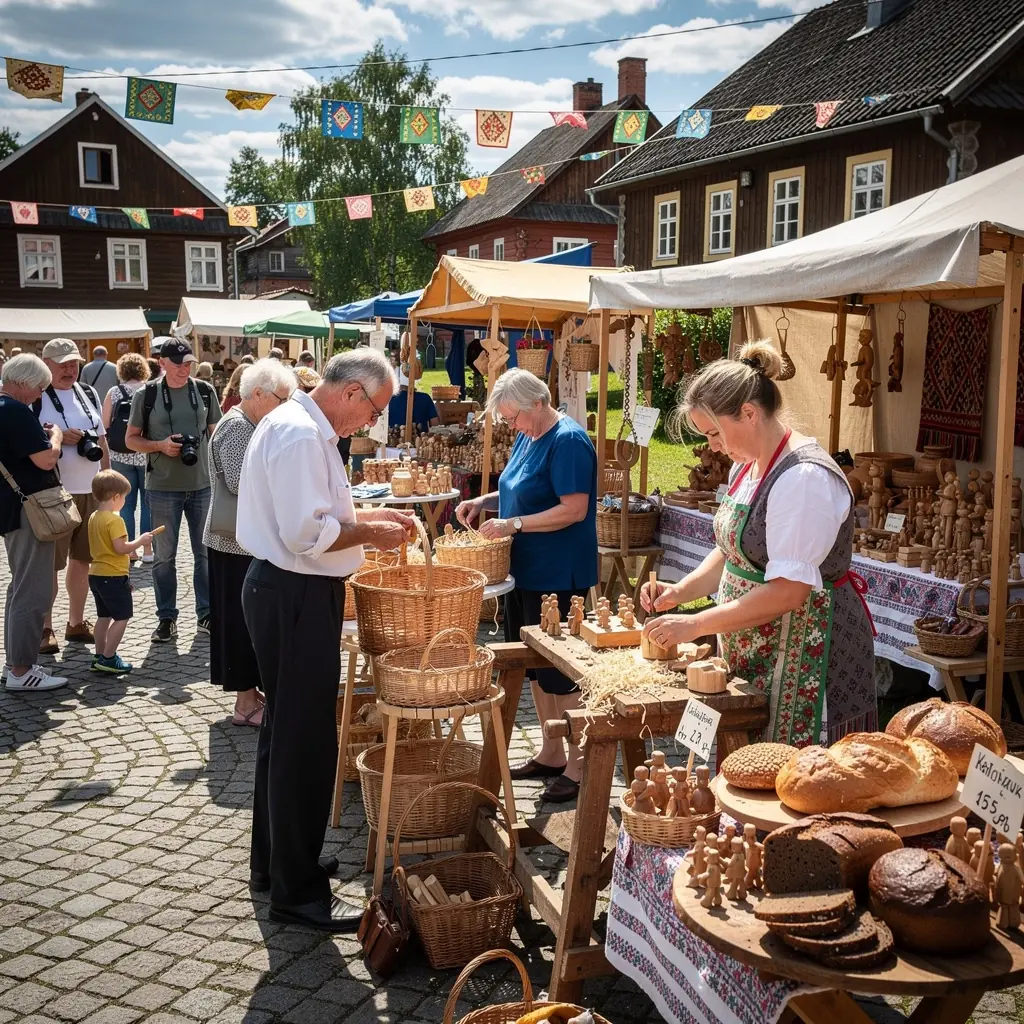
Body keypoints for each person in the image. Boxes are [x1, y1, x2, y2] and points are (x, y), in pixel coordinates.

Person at [236, 348, 416, 930]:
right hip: (292, 592)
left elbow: (320, 513)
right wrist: (375, 533)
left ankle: (279, 863)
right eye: (375, 410)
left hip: (293, 590)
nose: (373, 423)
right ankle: (296, 891)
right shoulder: (298, 434)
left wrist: (372, 517)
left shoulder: (305, 428)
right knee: (303, 738)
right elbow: (307, 532)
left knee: (287, 732)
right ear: (352, 392)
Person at [640, 341, 876, 747]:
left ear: (748, 413)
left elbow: (789, 591)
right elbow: (734, 552)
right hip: (758, 642)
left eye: (714, 432)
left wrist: (696, 623)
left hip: (808, 650)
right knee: (749, 759)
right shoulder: (746, 467)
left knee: (798, 777)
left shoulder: (804, 479)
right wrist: (682, 591)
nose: (712, 445)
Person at [456, 368, 597, 803]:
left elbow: (573, 509)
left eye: (513, 417)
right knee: (534, 667)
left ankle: (579, 761)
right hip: (524, 571)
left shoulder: (568, 441)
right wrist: (487, 501)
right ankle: (551, 751)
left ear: (538, 403)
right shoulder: (528, 434)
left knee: (561, 674)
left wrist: (513, 523)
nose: (510, 425)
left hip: (557, 574)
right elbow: (522, 488)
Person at [204, 359, 295, 727]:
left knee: (247, 620)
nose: (285, 406)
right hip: (234, 542)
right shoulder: (239, 427)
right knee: (241, 622)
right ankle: (244, 703)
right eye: (281, 398)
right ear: (257, 394)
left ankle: (250, 694)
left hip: (241, 540)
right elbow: (243, 484)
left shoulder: (250, 423)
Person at [125, 338, 222, 643]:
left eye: (188, 363)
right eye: (178, 363)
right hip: (163, 487)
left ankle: (206, 613)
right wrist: (159, 446)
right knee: (164, 557)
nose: (184, 369)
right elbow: (131, 439)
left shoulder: (205, 391)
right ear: (162, 363)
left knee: (205, 554)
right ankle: (166, 618)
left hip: (202, 485)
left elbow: (216, 433)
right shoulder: (148, 394)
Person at [37, 338, 110, 654]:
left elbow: (102, 439)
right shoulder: (35, 397)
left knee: (82, 562)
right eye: (63, 363)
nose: (70, 369)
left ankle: (76, 623)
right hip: (54, 494)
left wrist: (107, 479)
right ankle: (43, 628)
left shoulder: (88, 392)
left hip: (89, 491)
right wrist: (55, 437)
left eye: (74, 363)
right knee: (48, 566)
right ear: (47, 364)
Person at [0, 354, 67, 691]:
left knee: (20, 587)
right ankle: (21, 669)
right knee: (32, 590)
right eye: (39, 387)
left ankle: (16, 663)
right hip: (29, 511)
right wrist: (54, 436)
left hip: (14, 509)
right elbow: (45, 459)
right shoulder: (14, 410)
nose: (40, 394)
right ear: (23, 381)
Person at [87, 470, 154, 675]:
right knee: (122, 617)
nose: (124, 501)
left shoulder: (93, 517)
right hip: (113, 575)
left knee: (103, 616)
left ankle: (98, 655)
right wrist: (141, 541)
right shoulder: (115, 520)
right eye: (124, 497)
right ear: (116, 497)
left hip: (96, 574)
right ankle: (109, 657)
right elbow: (121, 548)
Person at [101, 353, 153, 563]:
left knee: (126, 504)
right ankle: (148, 551)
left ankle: (130, 550)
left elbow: (104, 424)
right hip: (147, 453)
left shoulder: (114, 392)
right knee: (148, 504)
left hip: (120, 455)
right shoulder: (150, 390)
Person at [388, 366, 440, 433]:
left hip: (394, 440)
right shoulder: (425, 398)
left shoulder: (388, 399)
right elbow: (435, 425)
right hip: (421, 440)